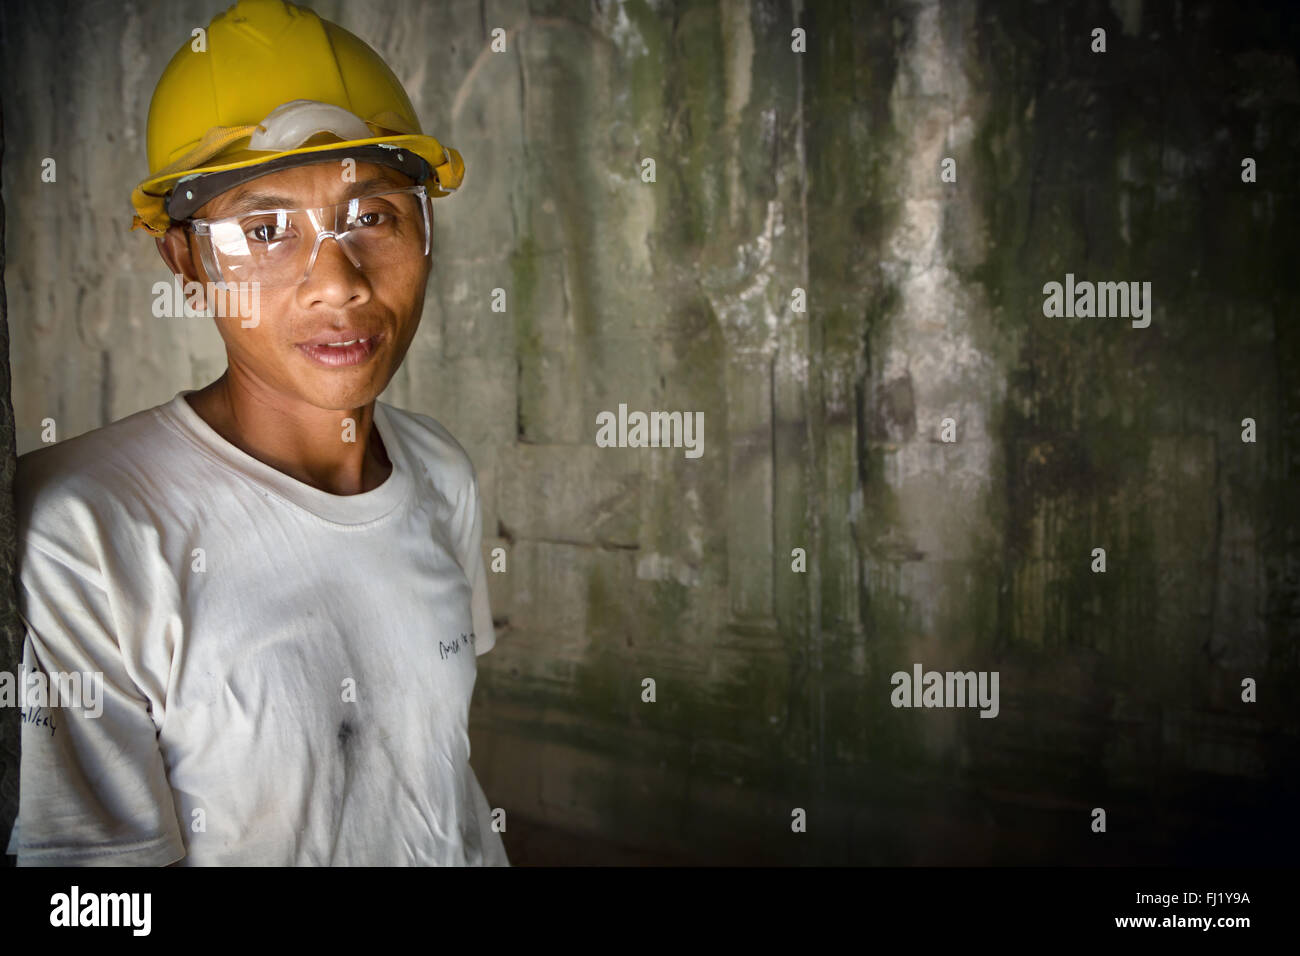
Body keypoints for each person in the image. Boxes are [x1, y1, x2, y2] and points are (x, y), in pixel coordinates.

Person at [5, 0, 508, 865]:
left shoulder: (437, 471)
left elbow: (442, 788)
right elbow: (93, 892)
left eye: (373, 216)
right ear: (187, 262)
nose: (337, 283)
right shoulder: (85, 532)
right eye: (265, 230)